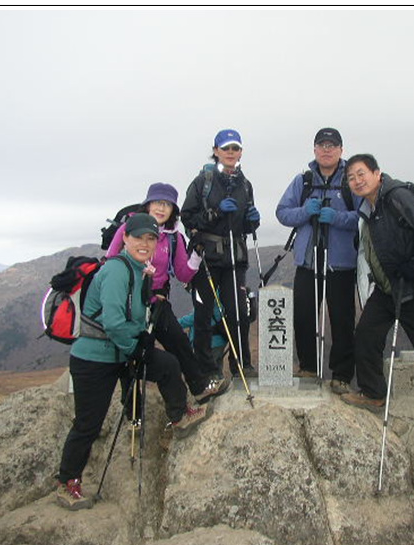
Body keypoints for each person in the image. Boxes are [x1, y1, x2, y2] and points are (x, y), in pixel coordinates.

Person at [56, 213, 211, 511]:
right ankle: (67, 482)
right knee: (88, 424)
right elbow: (114, 322)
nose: (145, 243)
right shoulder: (117, 270)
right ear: (124, 238)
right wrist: (135, 346)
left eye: (151, 238)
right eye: (138, 237)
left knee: (167, 365)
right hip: (95, 359)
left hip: (120, 353)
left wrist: (140, 335)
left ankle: (179, 416)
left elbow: (133, 317)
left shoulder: (139, 269)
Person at [339, 154, 414, 441]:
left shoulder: (397, 195)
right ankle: (373, 393)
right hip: (387, 288)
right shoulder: (371, 205)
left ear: (377, 173)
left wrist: (413, 271)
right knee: (366, 334)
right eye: (351, 177)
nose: (356, 181)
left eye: (361, 174)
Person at [106, 182, 229, 409]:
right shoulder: (129, 228)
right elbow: (111, 260)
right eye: (158, 202)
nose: (162, 208)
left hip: (157, 301)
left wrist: (196, 256)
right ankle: (132, 406)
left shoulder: (173, 237)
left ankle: (199, 388)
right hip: (129, 303)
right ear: (148, 204)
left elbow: (183, 274)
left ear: (173, 210)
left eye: (168, 205)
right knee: (136, 352)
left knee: (179, 343)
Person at [275, 127, 361, 394]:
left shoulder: (351, 180)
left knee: (342, 319)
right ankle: (309, 368)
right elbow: (282, 212)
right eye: (322, 145)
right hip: (308, 262)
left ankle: (342, 375)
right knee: (303, 316)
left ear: (341, 150)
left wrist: (337, 218)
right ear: (314, 149)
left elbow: (363, 217)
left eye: (332, 145)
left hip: (341, 263)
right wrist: (304, 212)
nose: (326, 149)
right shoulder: (304, 180)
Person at [180, 129, 260, 380]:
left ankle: (242, 365)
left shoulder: (245, 185)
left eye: (235, 148)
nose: (230, 153)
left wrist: (252, 222)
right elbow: (187, 217)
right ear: (216, 151)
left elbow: (243, 227)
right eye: (226, 148)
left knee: (239, 313)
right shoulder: (202, 182)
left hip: (235, 259)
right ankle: (206, 372)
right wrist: (214, 212)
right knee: (203, 316)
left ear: (241, 152)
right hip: (208, 258)